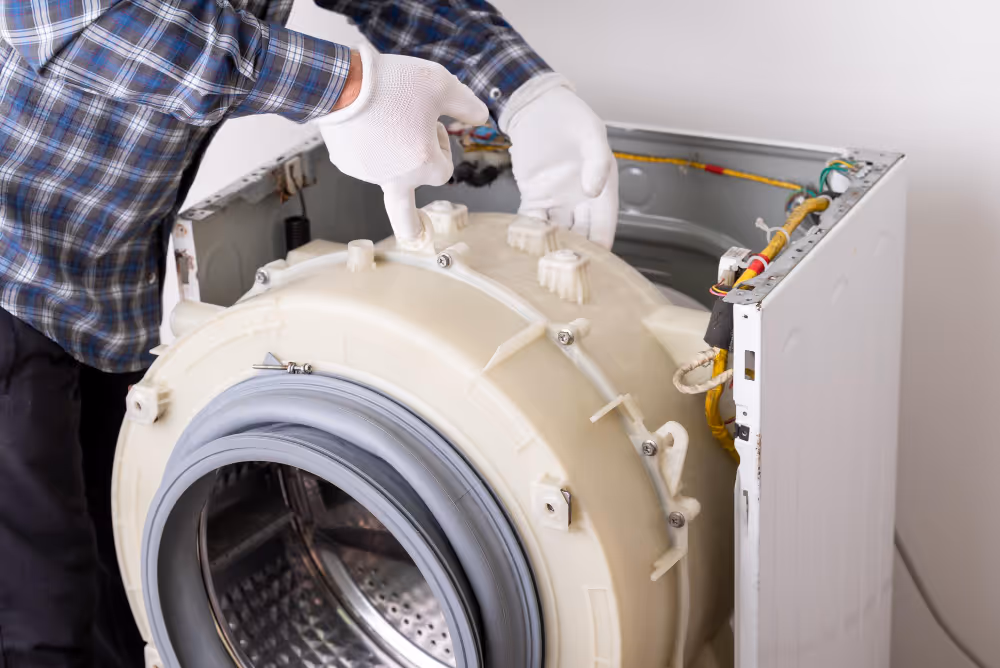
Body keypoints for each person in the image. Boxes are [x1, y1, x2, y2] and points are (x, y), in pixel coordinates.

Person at [0, 0, 617, 666]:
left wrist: (524, 89)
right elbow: (81, 22)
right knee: (42, 617)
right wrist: (351, 88)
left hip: (101, 290)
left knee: (112, 589)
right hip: (11, 268)